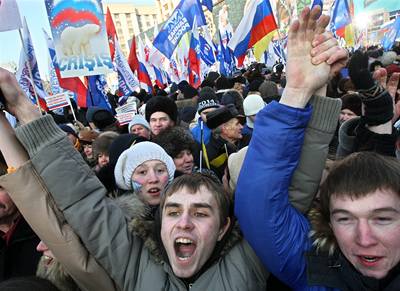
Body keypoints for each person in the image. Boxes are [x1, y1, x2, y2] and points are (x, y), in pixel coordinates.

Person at [0, 5, 347, 290]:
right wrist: (22, 107)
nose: (183, 223)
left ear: (225, 227)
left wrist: (307, 92)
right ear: (158, 226)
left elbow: (293, 190)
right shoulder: (133, 267)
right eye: (172, 211)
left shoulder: (250, 261)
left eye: (200, 213)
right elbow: (82, 200)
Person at [234, 7, 400, 291]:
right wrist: (296, 91)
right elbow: (260, 206)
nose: (364, 238)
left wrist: (381, 129)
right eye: (344, 218)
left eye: (382, 218)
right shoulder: (322, 270)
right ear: (328, 224)